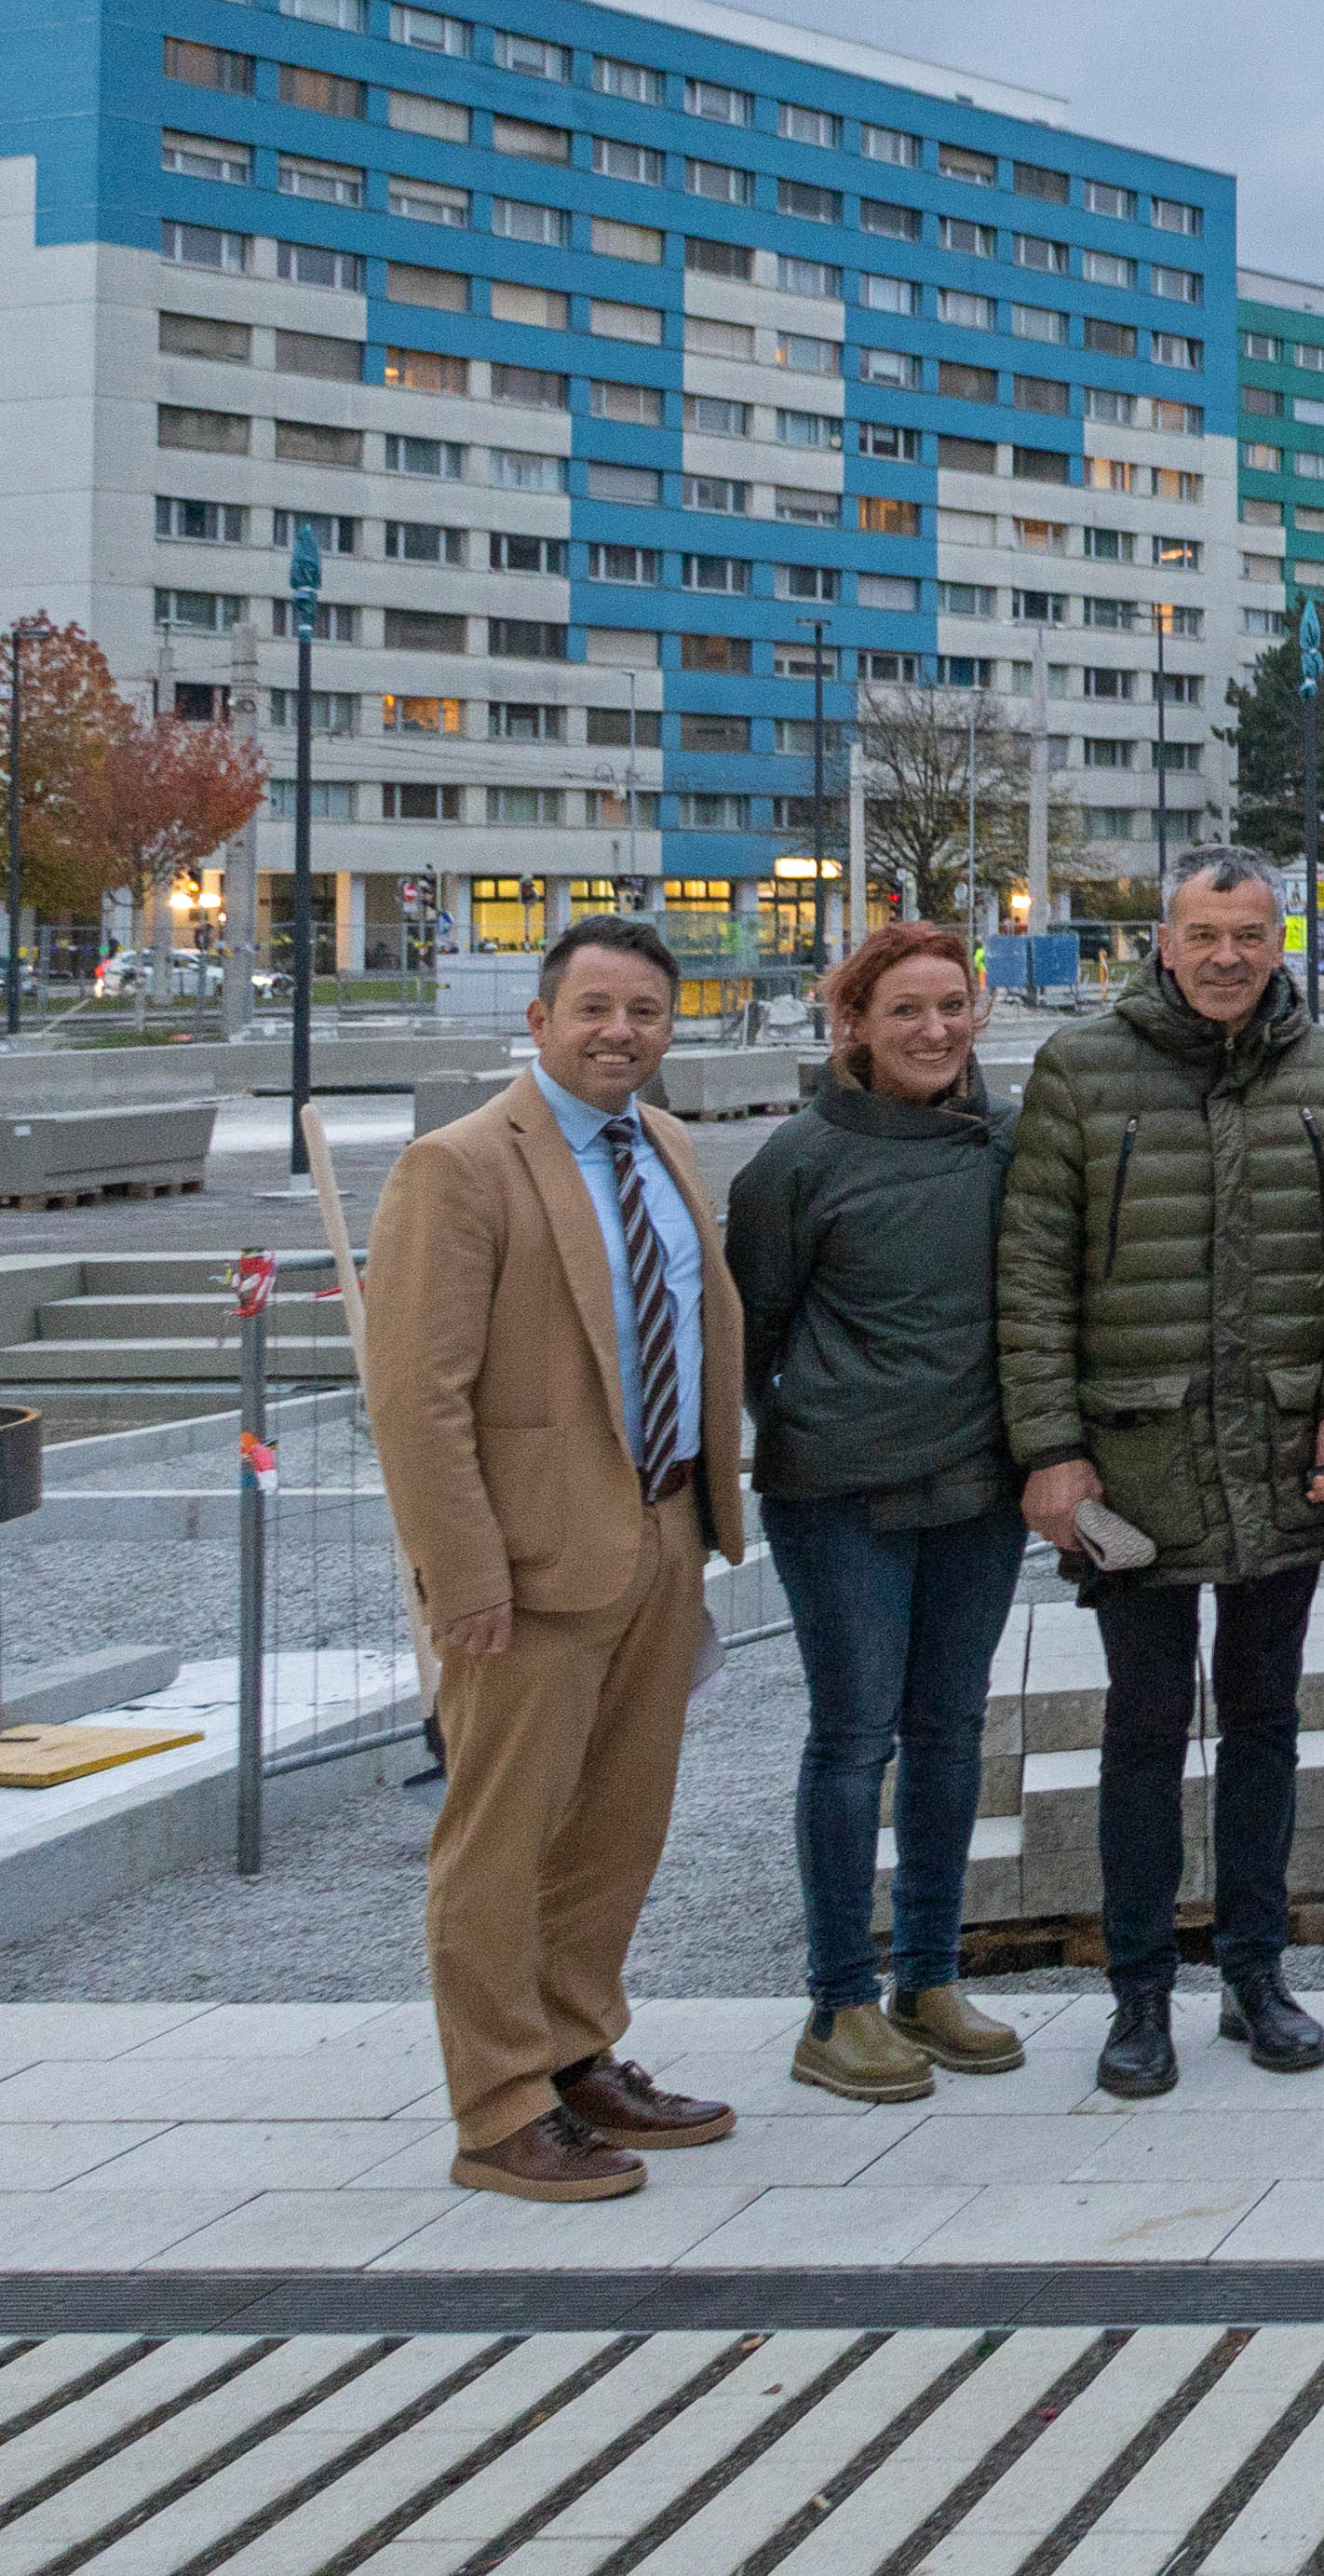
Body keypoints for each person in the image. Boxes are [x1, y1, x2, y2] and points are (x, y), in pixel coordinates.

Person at [359, 915, 749, 2200]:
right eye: (593, 1010)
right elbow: (418, 1397)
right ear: (538, 1021)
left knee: (614, 1829)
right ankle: (498, 2106)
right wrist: (460, 1573)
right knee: (501, 1839)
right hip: (525, 1567)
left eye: (643, 1012)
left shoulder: (669, 1146)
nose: (618, 1034)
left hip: (657, 1532)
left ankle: (580, 2053)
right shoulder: (460, 1167)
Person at [996, 847, 1324, 2097]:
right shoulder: (1079, 1070)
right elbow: (1034, 1282)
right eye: (1206, 934)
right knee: (1144, 1729)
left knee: (1267, 1721)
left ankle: (1257, 1974)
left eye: (1253, 935)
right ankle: (1138, 1993)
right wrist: (1052, 1449)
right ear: (1160, 942)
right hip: (1138, 1457)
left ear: (1282, 942)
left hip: (1281, 1452)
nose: (1229, 957)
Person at [727, 920, 1027, 2105]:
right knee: (854, 1739)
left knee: (952, 1733)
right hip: (842, 1494)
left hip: (977, 1486)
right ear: (852, 1022)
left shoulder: (1009, 1143)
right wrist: (815, 1415)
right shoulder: (795, 1165)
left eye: (952, 1004)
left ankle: (930, 1978)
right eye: (904, 1009)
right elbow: (749, 1336)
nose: (934, 1028)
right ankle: (839, 2000)